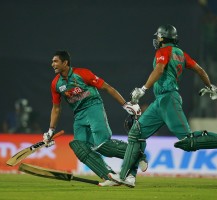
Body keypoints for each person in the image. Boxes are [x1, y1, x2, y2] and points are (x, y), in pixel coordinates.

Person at [108, 24, 217, 188]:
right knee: (136, 133)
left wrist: (143, 89)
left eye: (158, 37)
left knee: (188, 142)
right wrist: (209, 86)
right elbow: (200, 70)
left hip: (168, 99)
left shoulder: (163, 51)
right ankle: (126, 176)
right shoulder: (181, 54)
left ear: (163, 38)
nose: (156, 40)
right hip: (161, 101)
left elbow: (159, 69)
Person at [42, 50, 147, 187]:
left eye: (55, 61)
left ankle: (138, 155)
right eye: (52, 61)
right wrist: (50, 130)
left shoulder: (83, 73)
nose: (52, 64)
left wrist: (125, 105)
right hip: (79, 115)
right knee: (79, 147)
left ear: (65, 63)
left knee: (102, 144)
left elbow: (107, 87)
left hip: (93, 106)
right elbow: (56, 108)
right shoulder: (55, 84)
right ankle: (109, 176)